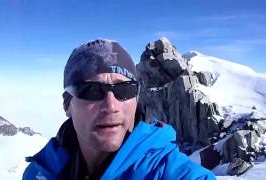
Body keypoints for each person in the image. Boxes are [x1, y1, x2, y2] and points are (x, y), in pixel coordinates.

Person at [23, 39, 216, 179]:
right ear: (67, 105)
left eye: (125, 89)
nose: (111, 106)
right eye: (91, 91)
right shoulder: (38, 173)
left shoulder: (168, 172)